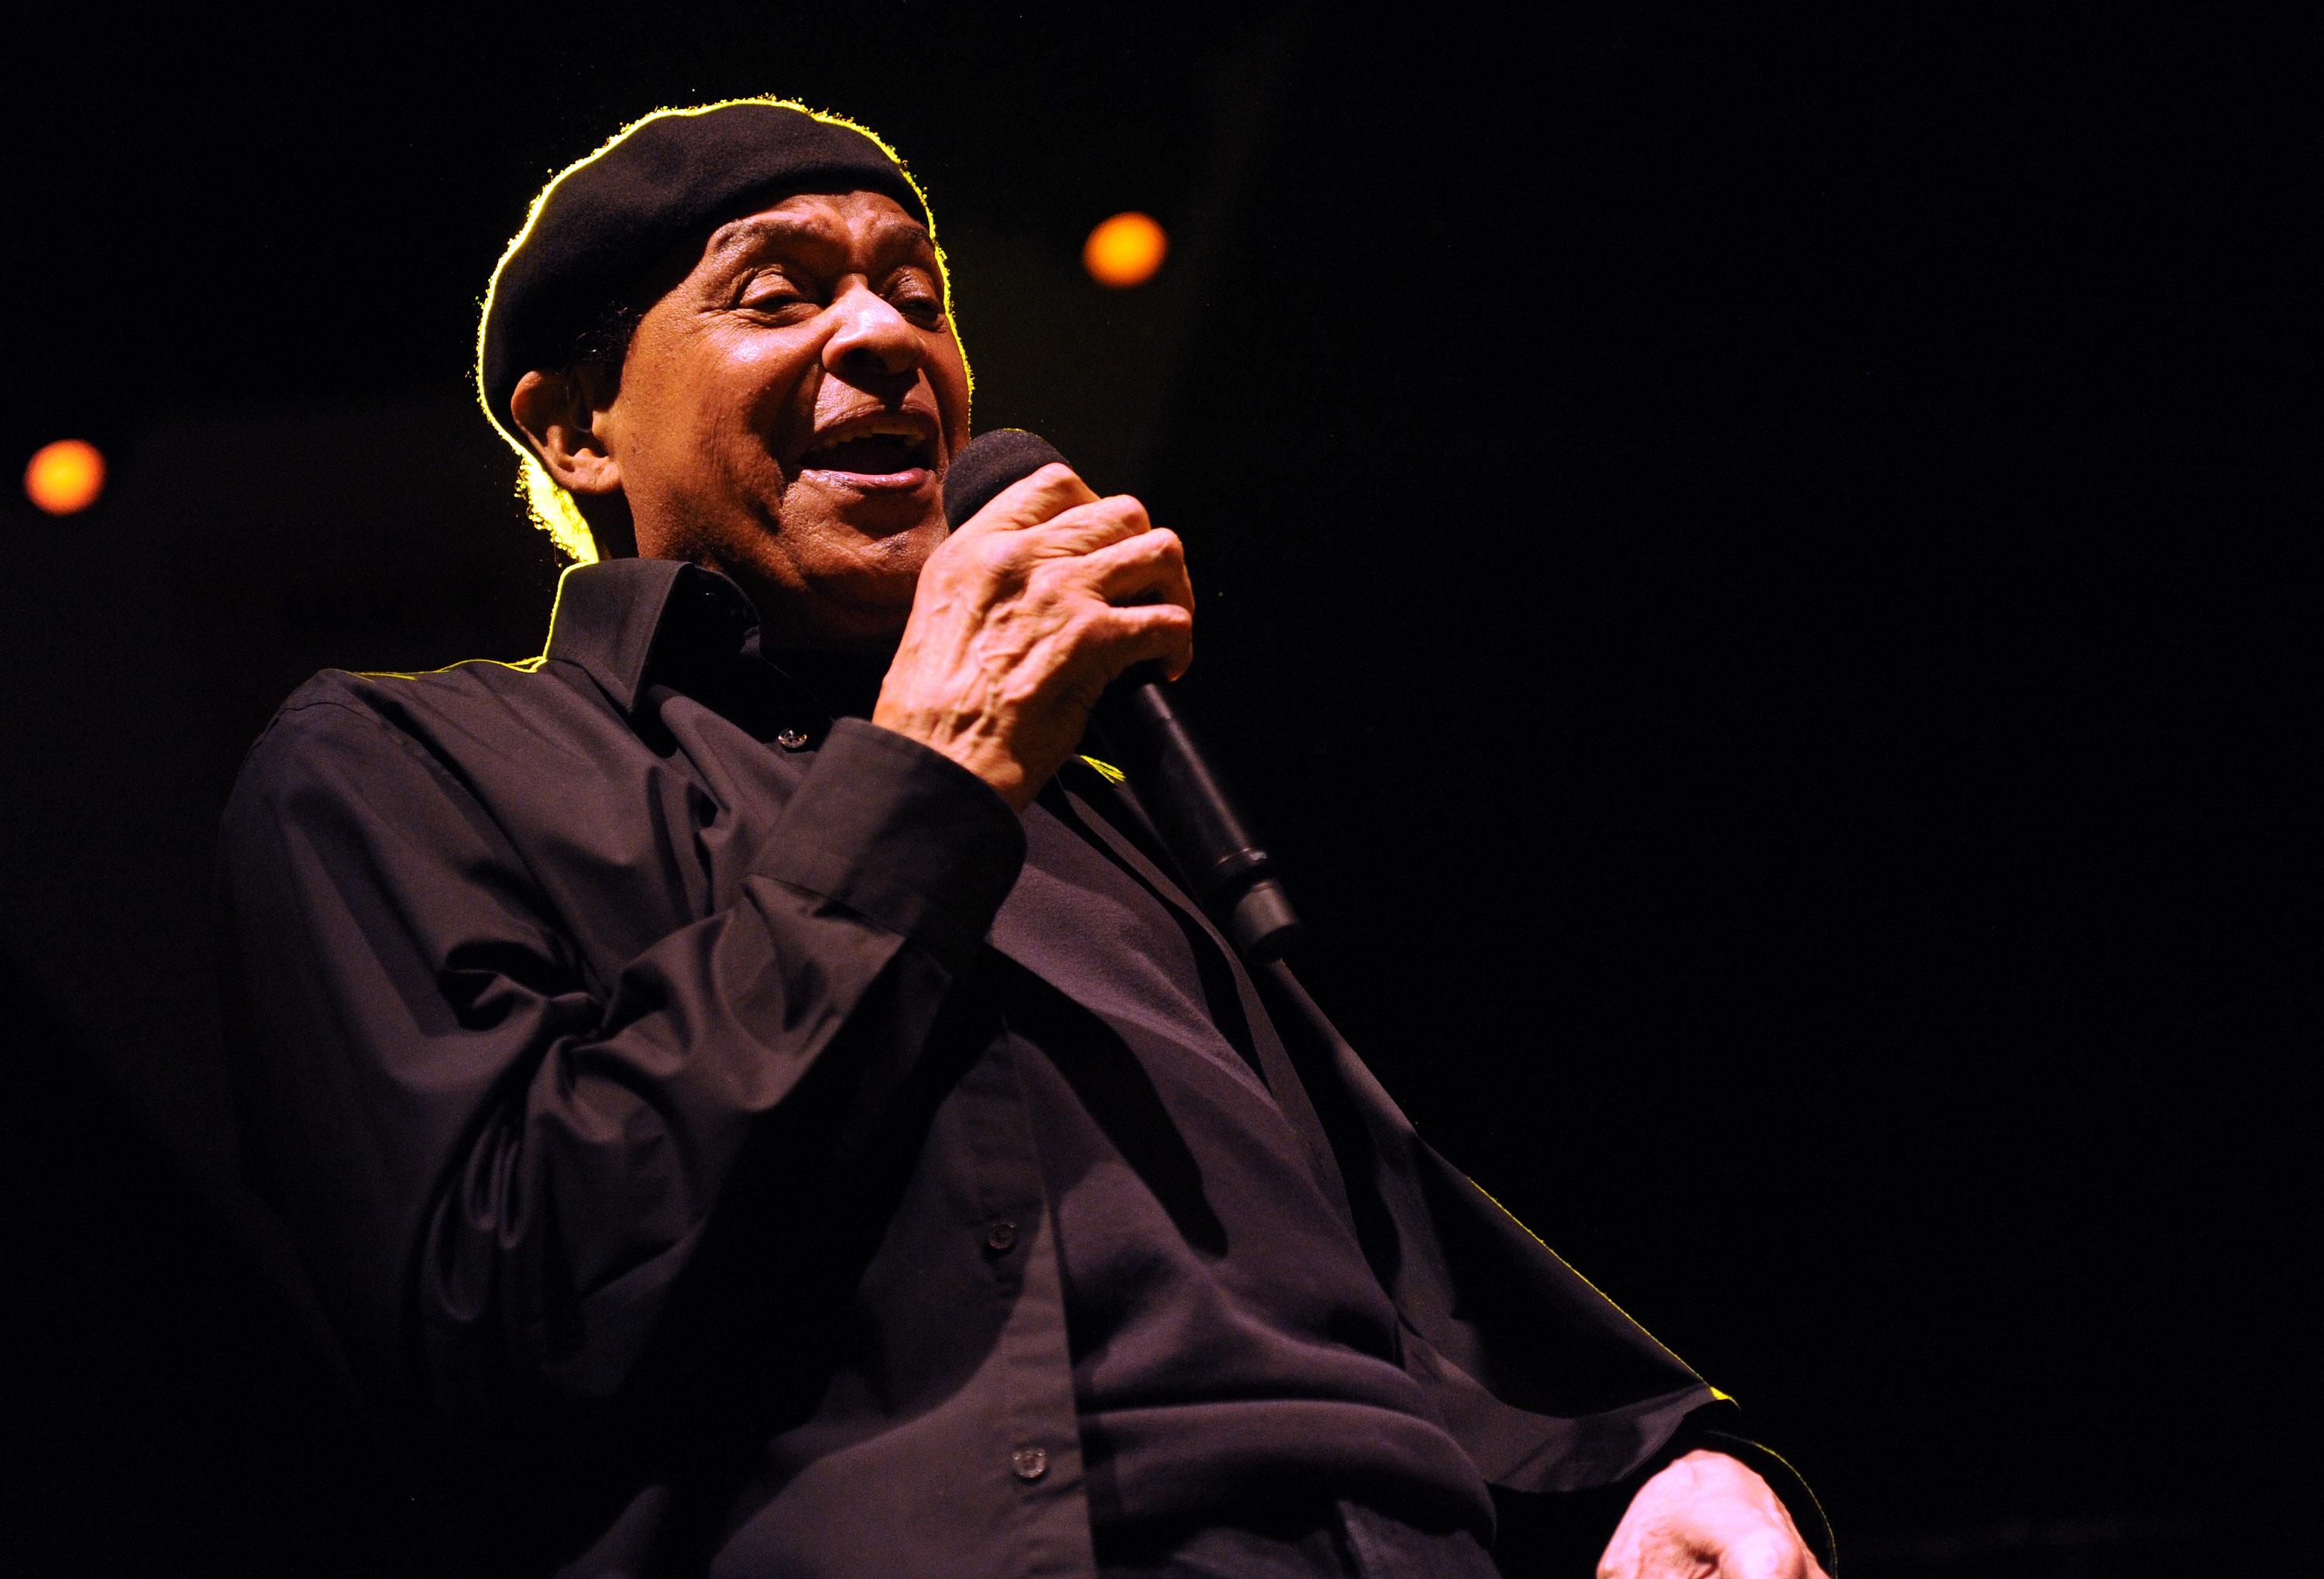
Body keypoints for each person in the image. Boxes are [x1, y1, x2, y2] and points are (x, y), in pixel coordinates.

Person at [218, 99, 1836, 1577]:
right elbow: (497, 1304)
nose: (885, 337)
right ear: (579, 432)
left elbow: (1380, 1250)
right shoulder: (406, 768)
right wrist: (926, 780)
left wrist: (1653, 1463)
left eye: (918, 294)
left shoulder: (1087, 807)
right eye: (776, 295)